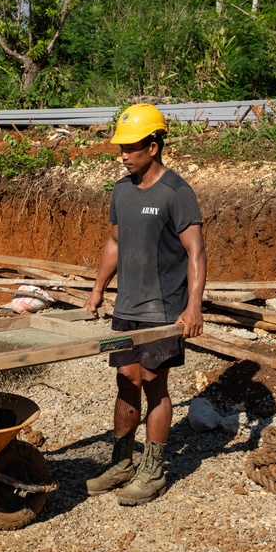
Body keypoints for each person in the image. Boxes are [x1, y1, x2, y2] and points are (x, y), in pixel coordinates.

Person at [83, 104, 206, 506]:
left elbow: (196, 254)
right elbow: (115, 243)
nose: (122, 154)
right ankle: (122, 463)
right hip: (128, 306)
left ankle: (152, 470)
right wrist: (99, 287)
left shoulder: (176, 192)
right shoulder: (121, 191)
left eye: (130, 147)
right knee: (125, 382)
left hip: (163, 308)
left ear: (153, 147)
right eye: (120, 147)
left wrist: (193, 308)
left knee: (155, 383)